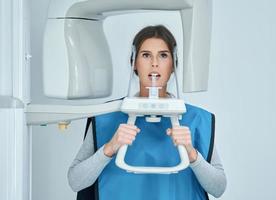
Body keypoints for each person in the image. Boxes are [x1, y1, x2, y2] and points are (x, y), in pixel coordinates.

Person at [68, 25, 227, 200]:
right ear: (134, 62)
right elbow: (75, 181)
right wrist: (109, 148)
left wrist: (192, 154)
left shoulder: (197, 120)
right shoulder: (106, 116)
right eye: (146, 55)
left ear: (173, 65)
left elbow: (219, 188)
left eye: (163, 55)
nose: (155, 63)